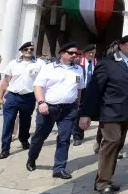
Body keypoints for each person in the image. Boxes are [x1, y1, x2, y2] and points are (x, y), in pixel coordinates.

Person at [79, 35, 128, 194]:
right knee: (111, 143)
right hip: (110, 111)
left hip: (127, 111)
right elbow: (94, 89)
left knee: (118, 145)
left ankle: (104, 178)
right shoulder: (107, 63)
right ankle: (103, 184)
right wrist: (86, 113)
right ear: (121, 46)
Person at [26, 42, 85, 179]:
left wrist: (78, 104)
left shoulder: (78, 69)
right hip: (49, 108)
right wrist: (41, 102)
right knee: (39, 137)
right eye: (71, 53)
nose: (74, 55)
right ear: (62, 53)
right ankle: (32, 158)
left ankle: (59, 168)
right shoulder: (48, 68)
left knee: (64, 139)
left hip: (69, 109)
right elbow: (38, 85)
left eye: (76, 53)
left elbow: (80, 88)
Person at [0, 42, 42, 159]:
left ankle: (24, 139)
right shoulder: (13, 63)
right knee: (8, 123)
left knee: (25, 122)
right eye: (26, 49)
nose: (29, 51)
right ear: (21, 51)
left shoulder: (39, 64)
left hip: (29, 97)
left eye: (31, 49)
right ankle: (5, 148)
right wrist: (0, 98)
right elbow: (5, 81)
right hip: (12, 96)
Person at [72, 44, 97, 146]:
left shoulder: (98, 63)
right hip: (81, 90)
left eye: (93, 53)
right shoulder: (77, 63)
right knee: (79, 112)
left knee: (90, 113)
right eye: (89, 53)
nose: (91, 55)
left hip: (93, 91)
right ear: (85, 53)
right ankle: (77, 135)